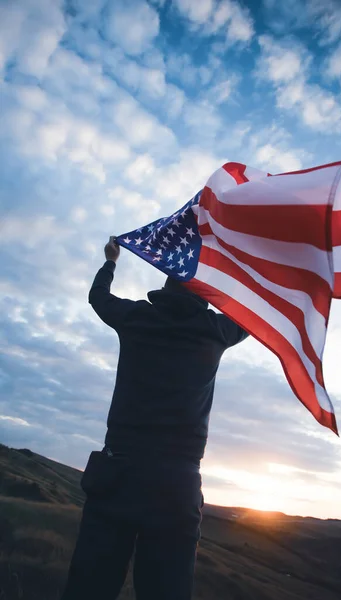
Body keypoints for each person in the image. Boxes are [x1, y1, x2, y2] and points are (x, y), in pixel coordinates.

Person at [62, 236, 248, 600]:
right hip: (176, 485)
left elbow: (97, 297)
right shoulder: (216, 331)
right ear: (203, 294)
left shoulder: (136, 317)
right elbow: (250, 316)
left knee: (89, 588)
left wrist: (111, 261)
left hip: (117, 474)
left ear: (164, 283)